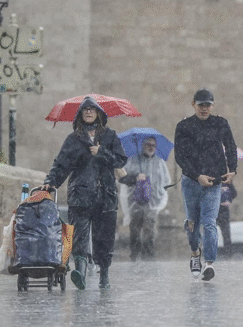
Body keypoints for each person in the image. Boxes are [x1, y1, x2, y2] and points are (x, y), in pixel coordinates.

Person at [40, 97, 127, 289]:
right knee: (79, 235)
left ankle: (104, 274)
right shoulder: (73, 139)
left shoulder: (110, 136)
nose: (88, 112)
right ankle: (80, 271)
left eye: (92, 109)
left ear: (98, 113)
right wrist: (50, 182)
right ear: (80, 114)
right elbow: (61, 165)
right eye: (85, 109)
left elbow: (121, 160)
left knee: (103, 239)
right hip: (80, 195)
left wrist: (102, 152)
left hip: (105, 196)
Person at [174, 88, 238, 281]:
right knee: (192, 223)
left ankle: (209, 264)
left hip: (214, 181)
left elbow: (231, 145)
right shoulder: (184, 126)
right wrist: (196, 175)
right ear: (193, 105)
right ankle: (195, 254)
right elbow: (180, 156)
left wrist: (233, 169)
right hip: (191, 182)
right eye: (201, 105)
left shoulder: (220, 123)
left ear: (212, 106)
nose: (204, 109)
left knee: (209, 223)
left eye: (207, 105)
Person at [118, 136, 171, 261]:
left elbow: (166, 182)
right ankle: (134, 256)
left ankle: (149, 258)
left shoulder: (159, 162)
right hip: (135, 203)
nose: (151, 147)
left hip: (152, 204)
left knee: (149, 231)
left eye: (153, 145)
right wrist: (135, 177)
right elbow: (121, 178)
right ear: (142, 145)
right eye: (148, 144)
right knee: (135, 231)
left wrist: (160, 196)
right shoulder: (132, 160)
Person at [216, 181, 237, 258]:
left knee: (210, 233)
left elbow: (234, 193)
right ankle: (228, 255)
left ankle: (227, 255)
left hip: (216, 210)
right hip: (222, 211)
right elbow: (234, 193)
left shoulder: (225, 182)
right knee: (226, 235)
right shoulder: (226, 182)